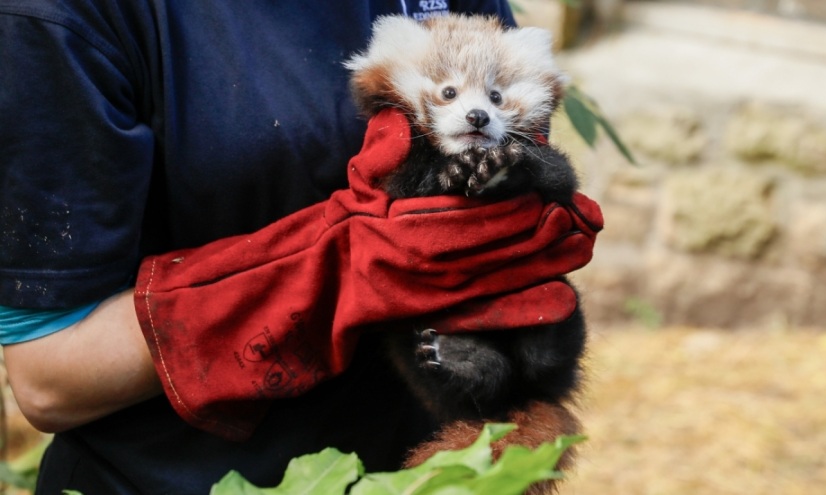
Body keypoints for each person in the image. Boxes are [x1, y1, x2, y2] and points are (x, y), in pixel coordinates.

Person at [0, 0, 601, 492]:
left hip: (434, 462)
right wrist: (334, 274)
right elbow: (48, 382)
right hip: (190, 477)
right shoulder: (62, 16)